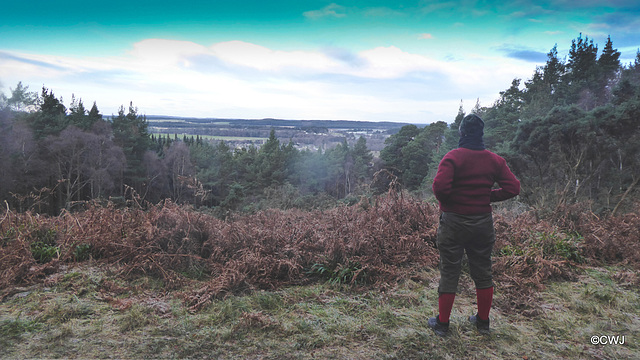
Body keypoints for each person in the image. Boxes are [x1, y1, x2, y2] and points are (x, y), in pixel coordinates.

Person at [428, 114, 520, 336]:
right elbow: (513, 188)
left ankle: (442, 324)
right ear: (481, 134)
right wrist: (485, 197)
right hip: (482, 223)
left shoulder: (453, 158)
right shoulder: (495, 161)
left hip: (453, 223)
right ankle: (483, 323)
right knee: (483, 271)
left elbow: (439, 188)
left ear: (461, 133)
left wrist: (450, 203)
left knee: (450, 271)